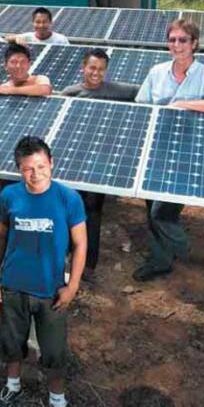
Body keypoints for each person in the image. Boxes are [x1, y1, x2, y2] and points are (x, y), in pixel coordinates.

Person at [0, 136, 89, 407]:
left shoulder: (68, 198)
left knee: (54, 349)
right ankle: (12, 386)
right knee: (12, 342)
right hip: (13, 286)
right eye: (28, 168)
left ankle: (58, 400)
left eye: (41, 166)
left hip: (52, 291)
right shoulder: (10, 197)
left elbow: (80, 244)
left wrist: (73, 286)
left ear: (51, 163)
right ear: (19, 169)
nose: (36, 173)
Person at [133, 19, 204, 282]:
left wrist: (183, 105)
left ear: (195, 43)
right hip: (157, 149)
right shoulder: (157, 72)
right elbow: (141, 106)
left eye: (183, 40)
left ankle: (181, 248)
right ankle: (160, 261)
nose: (177, 45)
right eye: (172, 40)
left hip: (189, 154)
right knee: (151, 207)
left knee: (162, 212)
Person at [61, 48, 140, 282]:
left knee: (93, 214)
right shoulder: (70, 93)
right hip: (73, 160)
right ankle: (67, 256)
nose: (96, 73)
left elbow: (143, 93)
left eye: (101, 69)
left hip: (100, 163)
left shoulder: (118, 91)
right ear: (83, 68)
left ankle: (88, 264)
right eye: (92, 68)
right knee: (70, 211)